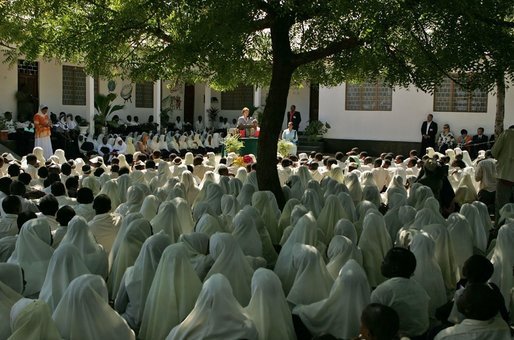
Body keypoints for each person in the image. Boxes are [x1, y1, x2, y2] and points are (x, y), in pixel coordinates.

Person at [370, 247, 429, 339]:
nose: (382, 263)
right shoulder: (419, 287)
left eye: (385, 261)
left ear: (394, 268)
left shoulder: (382, 291)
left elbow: (373, 323)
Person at [434, 283, 511, 340]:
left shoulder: (445, 336)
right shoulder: (503, 326)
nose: (460, 296)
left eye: (462, 295)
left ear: (467, 309)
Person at [491, 125, 514, 225]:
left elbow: (494, 152)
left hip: (505, 175)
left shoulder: (507, 134)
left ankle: (500, 232)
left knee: (502, 206)